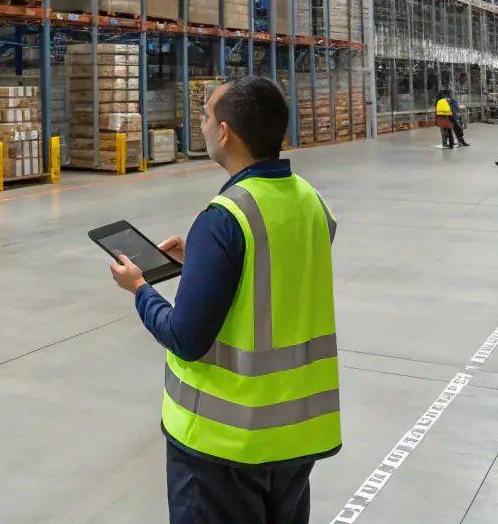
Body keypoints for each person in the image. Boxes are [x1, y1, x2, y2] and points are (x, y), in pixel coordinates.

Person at [107, 76, 340, 523]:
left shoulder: (225, 217)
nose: (203, 123)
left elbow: (186, 337)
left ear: (225, 131)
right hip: (294, 440)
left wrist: (139, 288)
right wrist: (203, 261)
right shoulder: (312, 200)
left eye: (206, 115)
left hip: (223, 447)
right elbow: (279, 269)